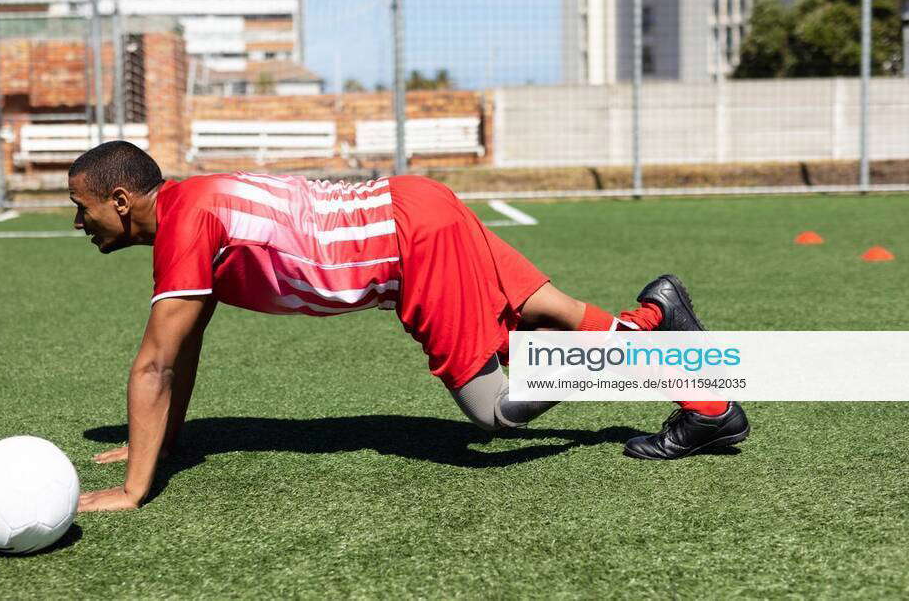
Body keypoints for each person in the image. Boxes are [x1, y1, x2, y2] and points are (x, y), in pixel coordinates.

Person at [71, 141, 750, 513]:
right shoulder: (195, 202)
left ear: (122, 200)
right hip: (416, 202)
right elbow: (182, 353)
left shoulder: (185, 225)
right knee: (553, 312)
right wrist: (150, 444)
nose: (80, 223)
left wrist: (134, 490)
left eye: (84, 208)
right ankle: (703, 395)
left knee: (499, 413)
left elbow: (156, 364)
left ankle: (651, 322)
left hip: (409, 244)